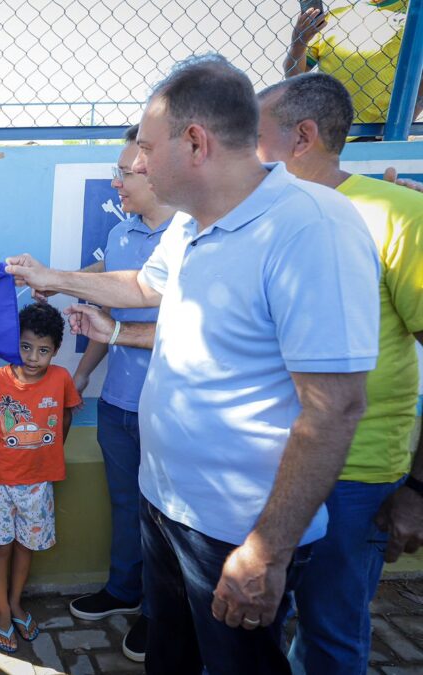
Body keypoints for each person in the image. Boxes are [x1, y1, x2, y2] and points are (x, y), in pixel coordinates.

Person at [6, 54, 380, 675]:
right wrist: (56, 278)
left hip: (235, 532)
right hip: (166, 507)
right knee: (170, 660)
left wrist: (265, 550)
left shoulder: (311, 229)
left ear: (195, 143)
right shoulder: (190, 226)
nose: (140, 165)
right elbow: (146, 288)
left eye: (147, 148)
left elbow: (336, 406)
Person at [255, 71, 423, 675]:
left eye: (255, 135)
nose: (242, 152)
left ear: (302, 137)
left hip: (354, 479)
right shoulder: (261, 218)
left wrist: (419, 489)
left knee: (328, 634)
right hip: (266, 467)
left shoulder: (398, 214)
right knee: (252, 623)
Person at [66, 124, 180, 664]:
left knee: (166, 516)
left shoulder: (193, 234)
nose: (116, 184)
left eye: (124, 171)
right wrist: (86, 372)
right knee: (125, 503)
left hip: (171, 411)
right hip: (117, 402)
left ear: (156, 171)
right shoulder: (121, 236)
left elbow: (193, 330)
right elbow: (108, 321)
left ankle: (159, 614)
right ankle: (123, 589)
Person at [0, 302, 81, 653]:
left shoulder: (61, 378)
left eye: (43, 350)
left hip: (37, 484)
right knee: (1, 546)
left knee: (25, 546)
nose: (33, 357)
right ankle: (1, 609)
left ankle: (16, 602)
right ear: (14, 342)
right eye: (26, 346)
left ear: (55, 350)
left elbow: (64, 419)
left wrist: (47, 456)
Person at [284, 1, 422, 126]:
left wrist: (404, 120)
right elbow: (294, 77)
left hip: (379, 132)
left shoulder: (415, 16)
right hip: (327, 131)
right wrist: (298, 43)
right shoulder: (333, 18)